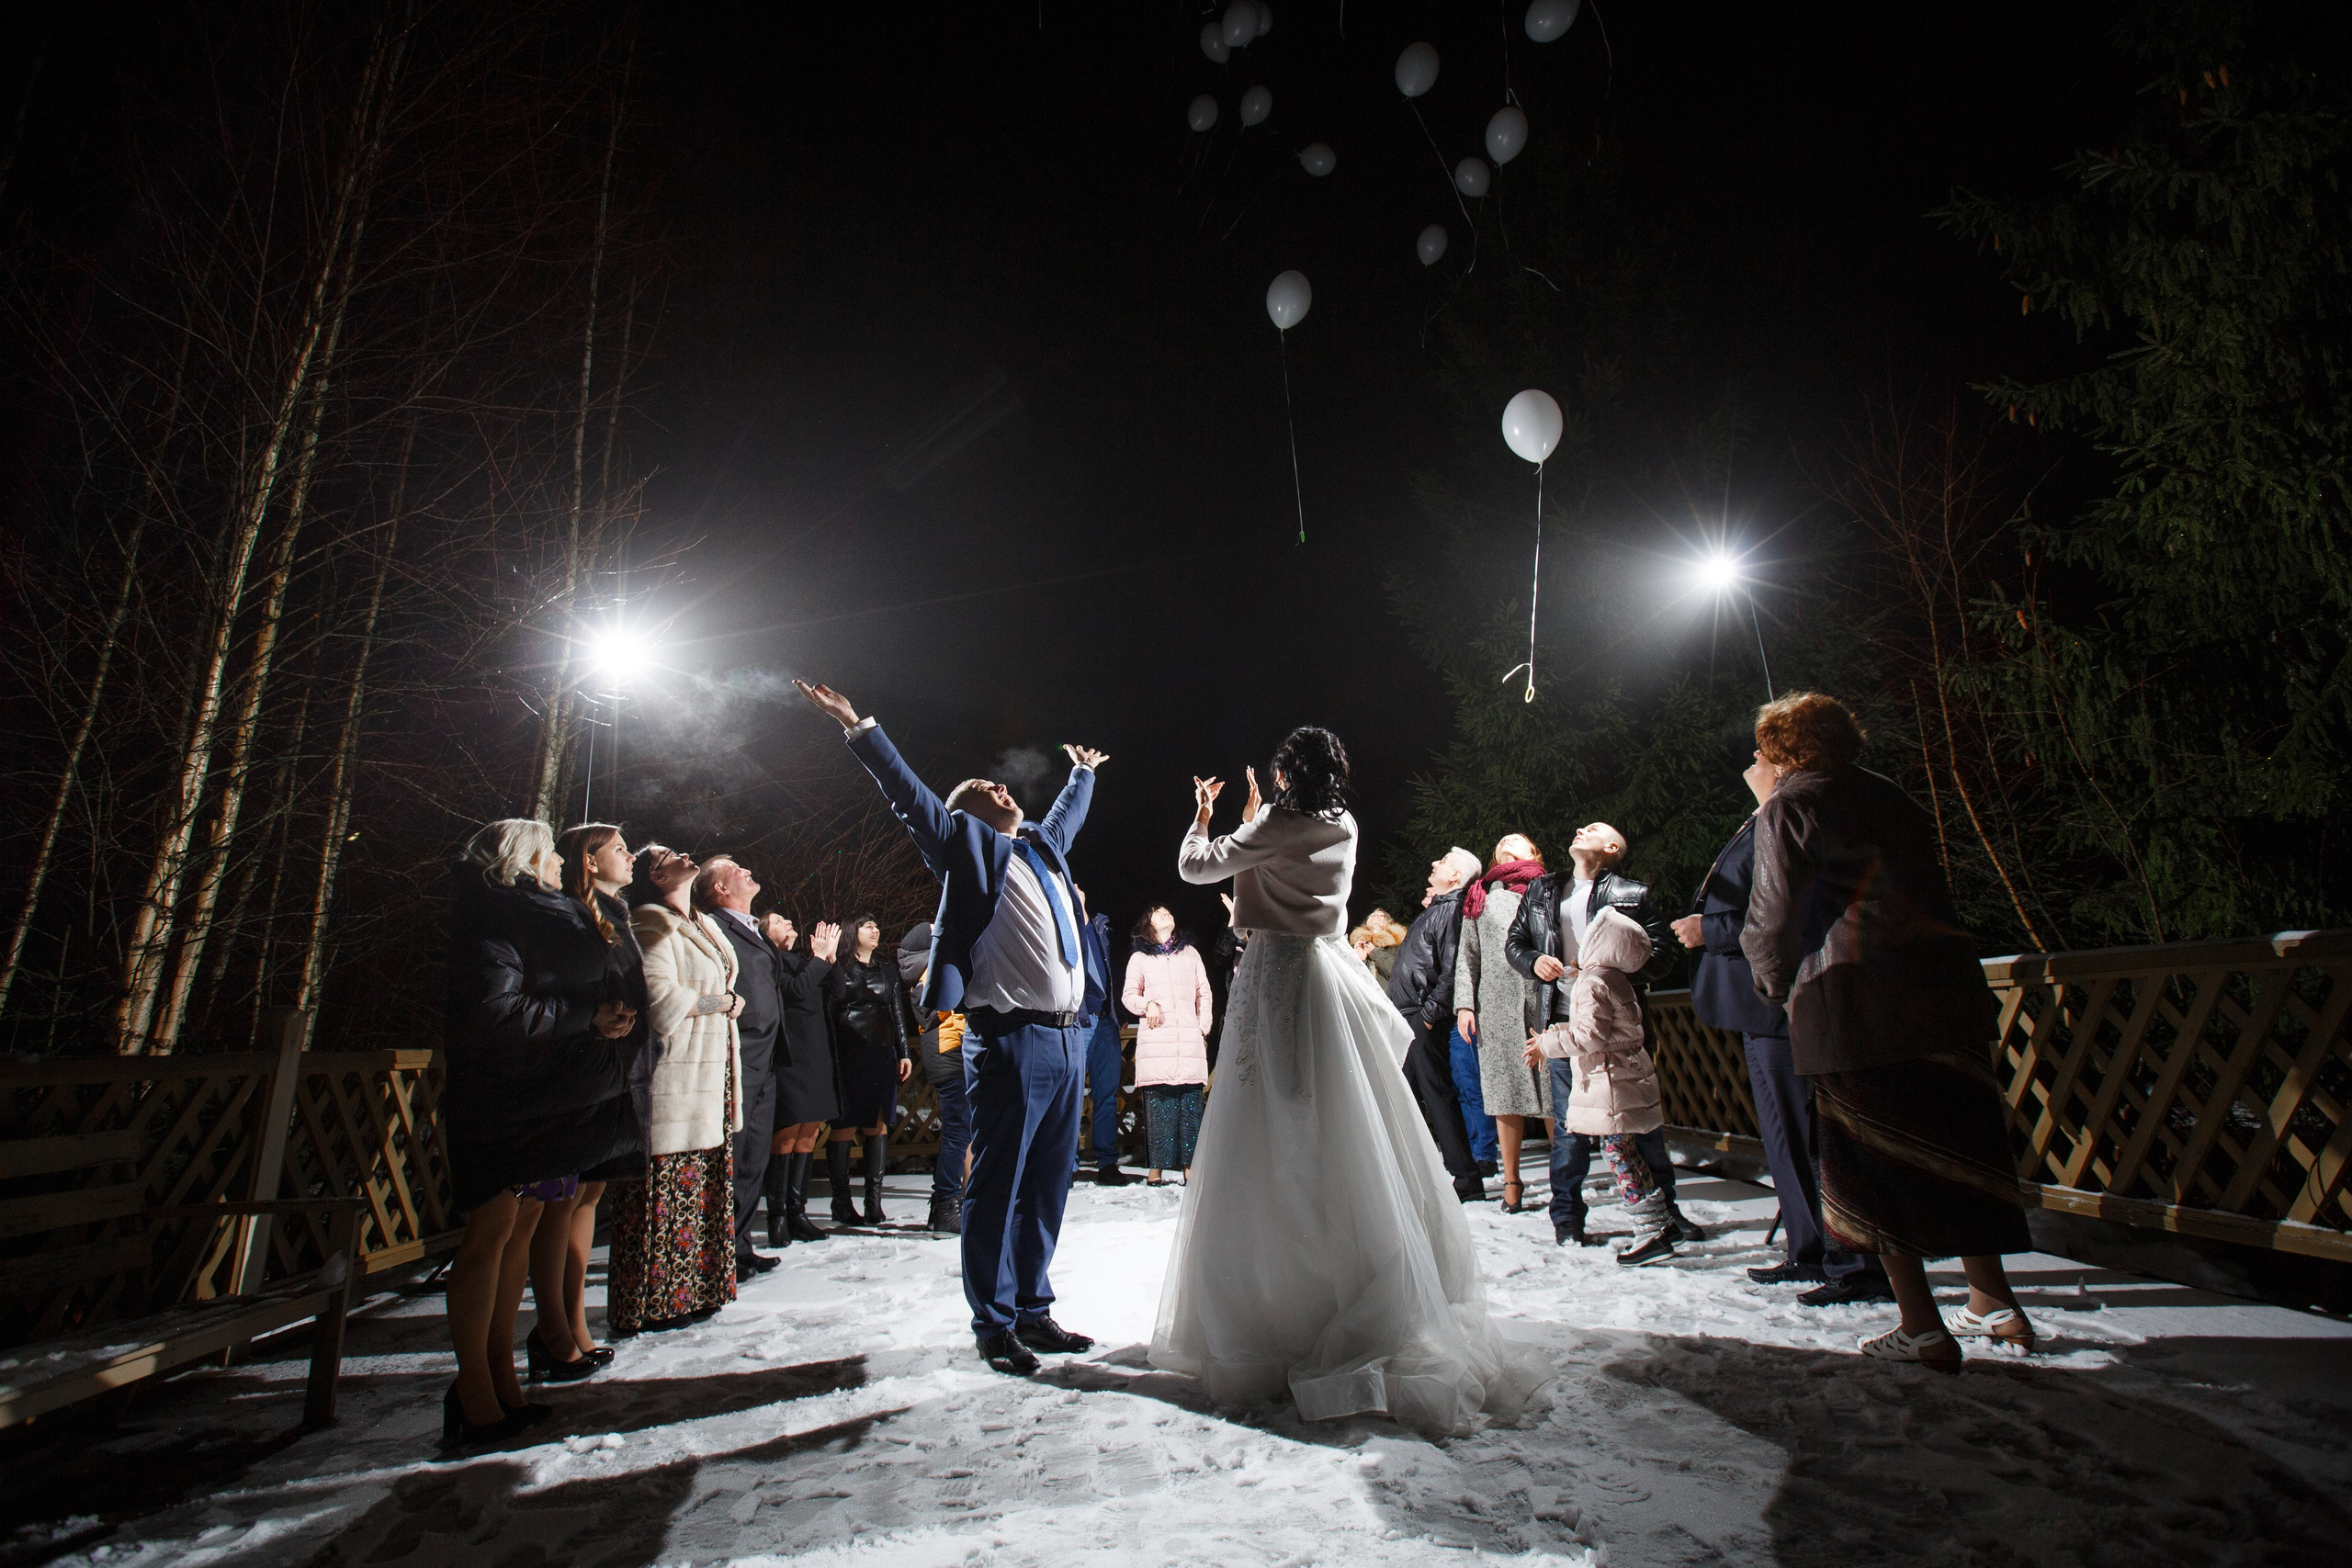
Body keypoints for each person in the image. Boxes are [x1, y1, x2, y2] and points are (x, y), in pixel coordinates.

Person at [1154, 729, 1545, 1435]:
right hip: (1328, 972)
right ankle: (1364, 1273)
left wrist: (1209, 814)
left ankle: (1279, 1308)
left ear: (1284, 774)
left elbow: (1195, 868)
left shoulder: (1276, 821)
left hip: (1277, 974)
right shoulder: (1345, 821)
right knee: (1346, 1124)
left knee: (1272, 1128)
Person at [797, 677, 1105, 1376]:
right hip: (1011, 1037)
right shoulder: (963, 846)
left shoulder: (1043, 848)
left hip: (1066, 1036)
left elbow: (1067, 816)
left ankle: (1034, 1306)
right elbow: (910, 798)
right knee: (998, 1183)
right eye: (986, 790)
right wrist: (859, 727)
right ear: (967, 811)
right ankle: (992, 1322)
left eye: (1003, 788)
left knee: (1051, 1182)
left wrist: (1083, 772)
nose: (1002, 790)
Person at [1741, 692, 2037, 1370]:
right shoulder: (1891, 794)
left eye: (1766, 747)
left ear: (1786, 748)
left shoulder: (1791, 804)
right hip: (1940, 987)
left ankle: (1922, 1324)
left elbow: (1771, 916)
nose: (1757, 759)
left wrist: (1775, 986)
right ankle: (1994, 1298)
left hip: (1853, 999)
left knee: (1873, 1157)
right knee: (1954, 1140)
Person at [440, 818, 639, 1444]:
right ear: (522, 859)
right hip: (497, 1098)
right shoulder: (493, 916)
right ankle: (474, 1387)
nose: (558, 864)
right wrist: (587, 1015)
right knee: (490, 1230)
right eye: (548, 855)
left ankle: (502, 1377)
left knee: (516, 1225)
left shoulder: (529, 915)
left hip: (533, 1094)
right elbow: (494, 1009)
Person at [1673, 751, 1889, 1303]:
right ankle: (1810, 1248)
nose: (1751, 756)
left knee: (1811, 1132)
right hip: (1760, 1005)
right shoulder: (1765, 818)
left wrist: (1709, 929)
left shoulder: (1792, 818)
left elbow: (1785, 908)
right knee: (1783, 1132)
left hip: (1784, 999)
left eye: (1765, 750)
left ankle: (1854, 1261)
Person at [1507, 821, 1694, 1247]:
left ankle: (1666, 1214)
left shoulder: (1632, 895)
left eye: (1591, 829)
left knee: (1642, 1125)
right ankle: (1568, 1219)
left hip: (1615, 1029)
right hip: (1560, 1021)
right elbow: (1514, 942)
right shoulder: (1543, 890)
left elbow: (1661, 955)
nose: (1577, 829)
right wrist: (1534, 960)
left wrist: (1608, 974)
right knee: (1570, 1129)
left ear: (1611, 848)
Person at [610, 844, 743, 1336]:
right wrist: (719, 1002)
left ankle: (697, 1288)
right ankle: (654, 1299)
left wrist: (723, 1001)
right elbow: (661, 1001)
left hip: (710, 1074)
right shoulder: (650, 920)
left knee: (701, 1183)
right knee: (667, 1188)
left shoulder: (703, 923)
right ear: (655, 873)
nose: (684, 853)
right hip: (675, 1073)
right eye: (668, 853)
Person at [545, 822, 647, 1377]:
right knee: (565, 1199)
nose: (629, 857)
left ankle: (574, 1322)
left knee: (589, 1196)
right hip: (585, 1059)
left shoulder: (618, 914)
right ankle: (556, 1327)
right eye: (619, 850)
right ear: (587, 860)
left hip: (618, 1059)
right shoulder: (575, 915)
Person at [1526, 908, 1677, 1266]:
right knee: (1626, 1152)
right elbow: (1605, 1031)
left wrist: (1547, 1044)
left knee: (1619, 1156)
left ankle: (1650, 1232)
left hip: (1609, 1081)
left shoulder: (1593, 981)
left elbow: (1591, 1037)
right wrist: (1554, 1036)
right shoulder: (1613, 977)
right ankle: (1659, 1223)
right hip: (1622, 1074)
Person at [694, 856, 786, 1281]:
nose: (747, 870)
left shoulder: (753, 928)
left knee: (754, 1157)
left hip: (766, 1058)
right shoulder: (714, 926)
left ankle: (741, 1245)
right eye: (734, 868)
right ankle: (718, 1249)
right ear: (719, 889)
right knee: (735, 1153)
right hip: (739, 1050)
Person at [1385, 845, 1487, 1201]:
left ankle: (1467, 1180)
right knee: (1405, 1098)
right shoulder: (1439, 910)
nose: (1433, 862)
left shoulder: (1453, 912)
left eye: (1442, 861)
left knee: (1438, 1097)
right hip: (1409, 1016)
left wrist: (1428, 1016)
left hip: (1420, 1019)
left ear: (1456, 876)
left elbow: (1454, 968)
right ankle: (1412, 1177)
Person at [1455, 834, 1551, 1213]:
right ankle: (1512, 1181)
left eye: (1518, 840)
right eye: (1501, 842)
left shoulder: (1549, 889)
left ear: (1534, 853)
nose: (1507, 841)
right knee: (1503, 1093)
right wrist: (1464, 1004)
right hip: (1494, 1005)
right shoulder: (1481, 895)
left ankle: (1564, 1176)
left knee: (1552, 1090)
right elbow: (1468, 954)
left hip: (1544, 998)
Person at [824, 913, 919, 1225]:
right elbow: (829, 1010)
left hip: (881, 1051)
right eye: (868, 926)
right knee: (844, 1123)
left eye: (877, 926)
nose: (876, 930)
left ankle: (873, 1202)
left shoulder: (886, 969)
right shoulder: (837, 967)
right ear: (854, 932)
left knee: (878, 1124)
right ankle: (841, 1201)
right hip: (848, 1051)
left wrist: (904, 1051)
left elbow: (897, 1011)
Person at [763, 912, 842, 1246]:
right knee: (786, 1133)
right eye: (779, 922)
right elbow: (795, 991)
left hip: (816, 1052)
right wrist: (819, 959)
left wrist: (832, 961)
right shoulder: (769, 960)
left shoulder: (803, 960)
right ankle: (778, 1216)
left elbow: (836, 994)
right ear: (764, 932)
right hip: (791, 1054)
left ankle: (798, 1212)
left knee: (809, 1132)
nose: (790, 925)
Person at [1122, 905, 1213, 1184]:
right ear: (1147, 925)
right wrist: (1147, 1003)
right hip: (1157, 1040)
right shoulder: (1140, 958)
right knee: (1159, 1104)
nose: (1164, 911)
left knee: (1190, 1105)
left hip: (1188, 1040)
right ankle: (1156, 1170)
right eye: (1156, 912)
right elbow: (1128, 996)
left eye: (1166, 910)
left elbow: (1204, 992)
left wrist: (1202, 1026)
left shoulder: (1190, 954)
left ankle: (1190, 1168)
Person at [898, 921, 973, 1232]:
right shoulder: (931, 974)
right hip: (950, 1056)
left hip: (948, 1056)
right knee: (958, 1134)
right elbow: (954, 1006)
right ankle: (946, 1204)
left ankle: (948, 1204)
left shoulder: (927, 972)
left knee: (962, 1132)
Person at [1075, 890, 1139, 1186]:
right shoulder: (1067, 925)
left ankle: (1107, 1163)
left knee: (1106, 1096)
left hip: (1107, 1023)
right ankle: (1067, 1164)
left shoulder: (1101, 928)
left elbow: (1110, 970)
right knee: (1072, 1097)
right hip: (1079, 1021)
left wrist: (1118, 1009)